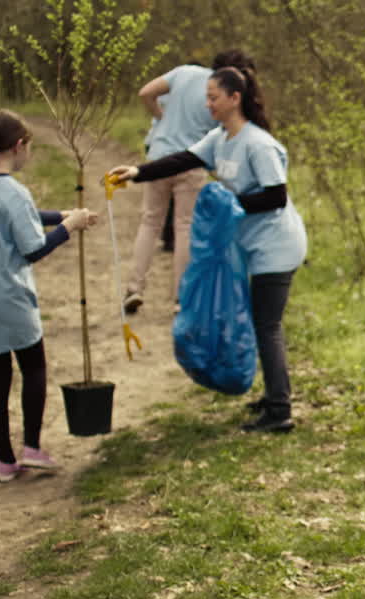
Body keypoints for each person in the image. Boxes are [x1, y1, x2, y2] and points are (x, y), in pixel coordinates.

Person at [109, 63, 307, 433]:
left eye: (213, 98)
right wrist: (137, 172)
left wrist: (231, 208)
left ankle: (280, 411)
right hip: (253, 245)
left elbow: (276, 196)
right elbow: (182, 158)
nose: (208, 105)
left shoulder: (258, 143)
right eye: (207, 98)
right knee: (261, 321)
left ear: (235, 99)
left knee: (267, 326)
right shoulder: (220, 138)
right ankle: (272, 397)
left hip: (277, 246)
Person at [0, 109, 99, 482]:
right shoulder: (14, 192)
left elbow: (23, 215)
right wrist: (69, 226)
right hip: (9, 298)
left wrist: (58, 215)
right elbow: (33, 250)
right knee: (34, 367)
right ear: (19, 146)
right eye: (29, 147)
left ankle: (4, 462)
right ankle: (32, 448)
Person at [122, 50, 258, 315]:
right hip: (193, 162)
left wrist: (161, 116)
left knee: (150, 222)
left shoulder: (184, 73)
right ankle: (180, 297)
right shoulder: (222, 94)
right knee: (184, 227)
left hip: (159, 156)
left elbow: (145, 93)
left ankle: (134, 288)